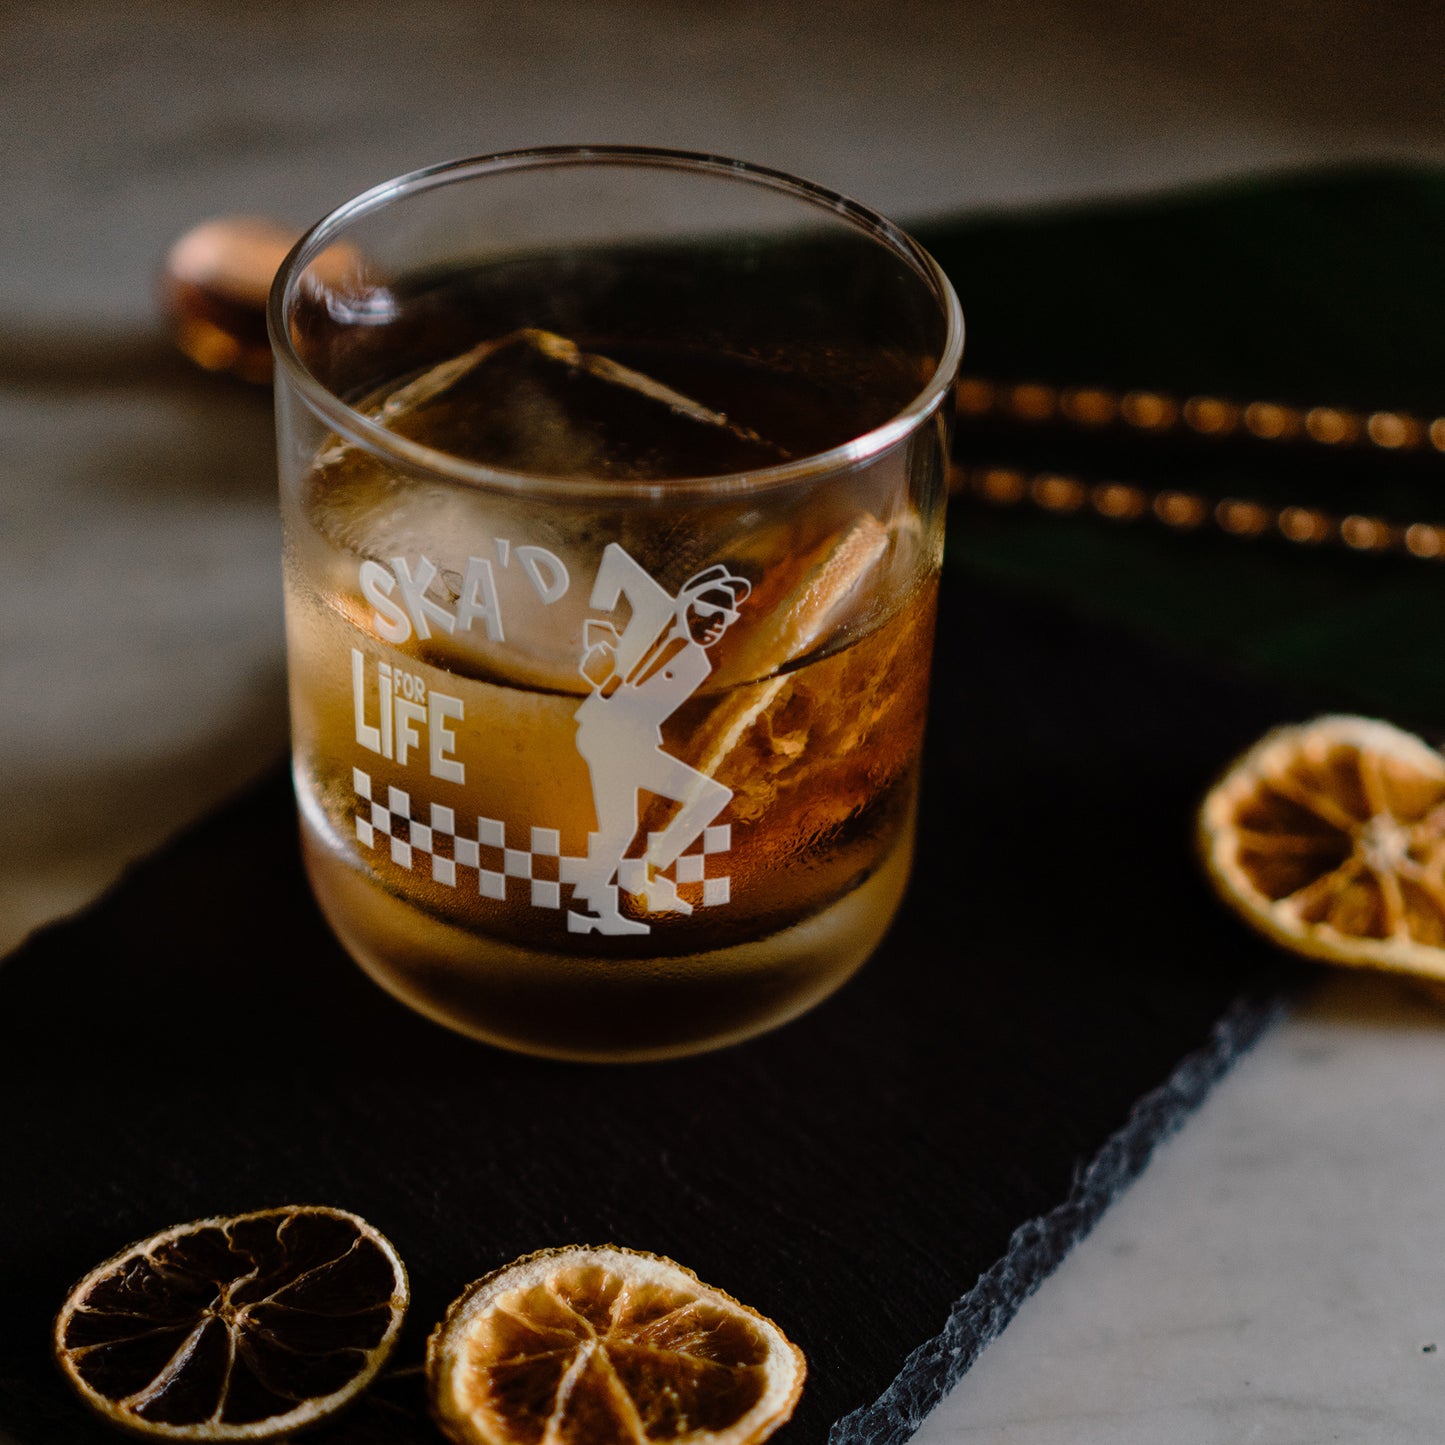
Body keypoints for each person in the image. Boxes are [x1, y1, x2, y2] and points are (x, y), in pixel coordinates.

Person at [569, 543, 750, 935]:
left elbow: (645, 707)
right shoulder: (654, 611)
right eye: (709, 608)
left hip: (629, 741)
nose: (716, 622)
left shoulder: (698, 664)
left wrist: (608, 680)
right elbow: (616, 558)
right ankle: (599, 903)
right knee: (620, 827)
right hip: (606, 736)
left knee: (707, 796)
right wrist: (597, 611)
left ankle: (627, 882)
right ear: (688, 599)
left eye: (724, 615)